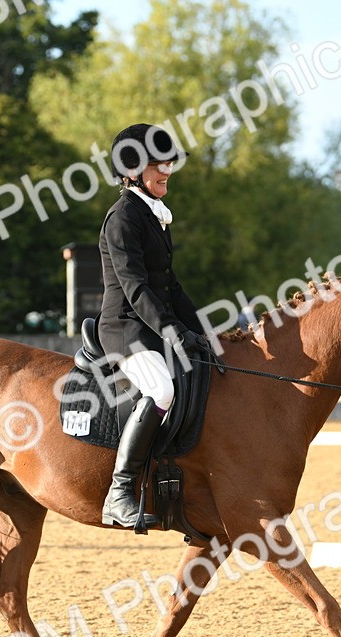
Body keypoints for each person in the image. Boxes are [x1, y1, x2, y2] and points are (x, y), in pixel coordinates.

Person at [98, 123, 209, 528]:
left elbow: (171, 287)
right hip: (125, 328)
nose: (168, 171)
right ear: (133, 169)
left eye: (169, 163)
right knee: (161, 387)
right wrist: (169, 330)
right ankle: (120, 492)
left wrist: (204, 333)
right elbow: (135, 286)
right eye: (159, 164)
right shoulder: (123, 218)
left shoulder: (155, 216)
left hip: (150, 326)